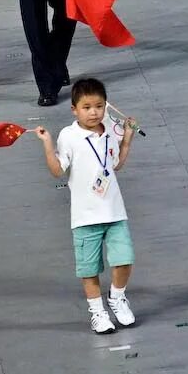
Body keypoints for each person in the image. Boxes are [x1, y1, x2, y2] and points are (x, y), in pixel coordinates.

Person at [32, 77, 139, 335]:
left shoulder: (109, 131)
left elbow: (115, 165)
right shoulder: (68, 136)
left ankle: (117, 297)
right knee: (89, 269)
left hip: (114, 212)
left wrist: (127, 137)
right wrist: (47, 145)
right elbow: (58, 170)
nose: (94, 112)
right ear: (74, 110)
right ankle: (97, 311)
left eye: (99, 106)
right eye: (87, 107)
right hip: (85, 218)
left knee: (124, 260)